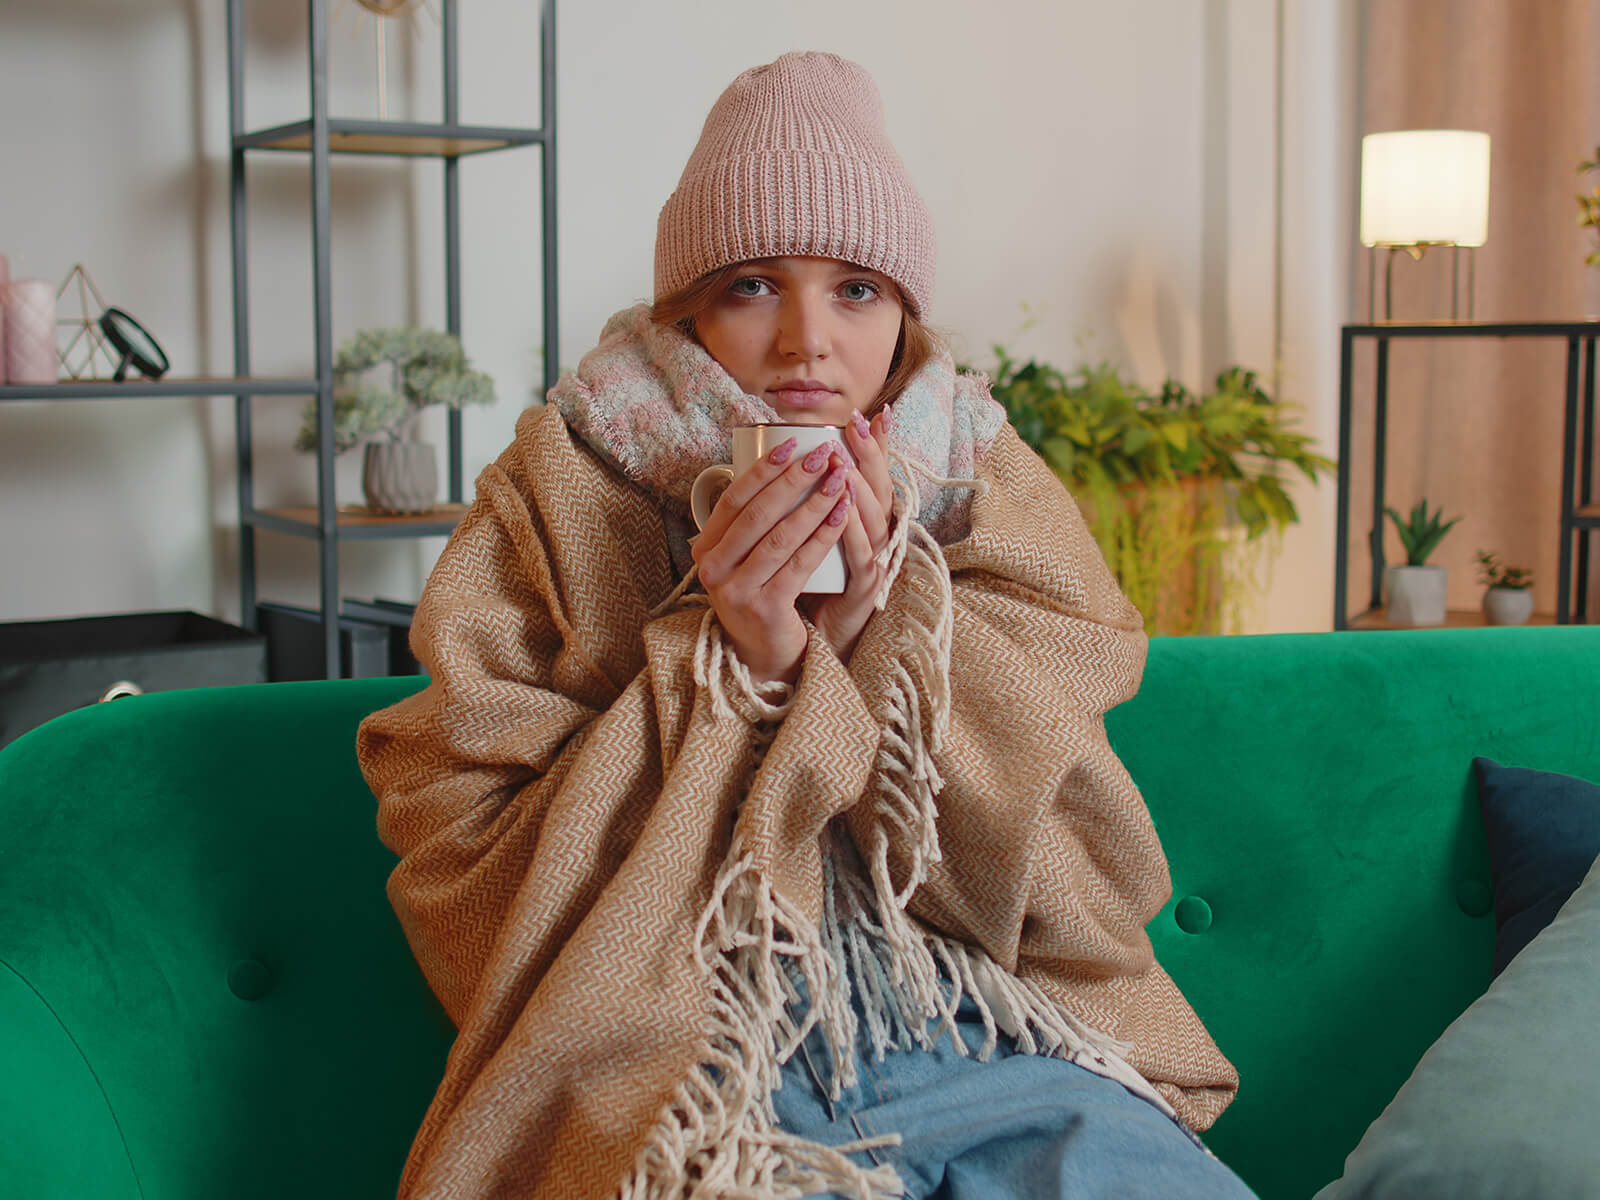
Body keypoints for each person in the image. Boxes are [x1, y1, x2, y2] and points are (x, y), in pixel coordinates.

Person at [357, 51, 1252, 1200]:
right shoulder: (560, 489)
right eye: (750, 285)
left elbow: (1081, 869)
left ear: (903, 313)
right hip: (696, 1069)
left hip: (992, 1035)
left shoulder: (982, 486)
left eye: (855, 290)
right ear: (689, 308)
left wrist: (885, 638)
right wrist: (732, 659)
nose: (805, 340)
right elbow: (460, 846)